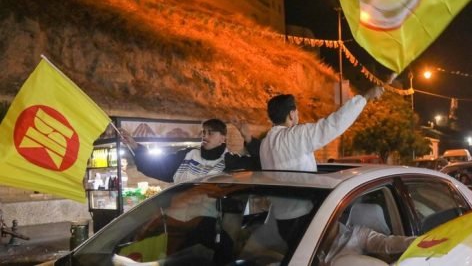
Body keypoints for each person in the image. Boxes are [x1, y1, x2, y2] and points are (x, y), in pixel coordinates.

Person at [259, 85, 386, 252]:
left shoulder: (265, 144)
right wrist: (365, 96)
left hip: (282, 221)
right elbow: (332, 125)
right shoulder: (293, 136)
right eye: (296, 112)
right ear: (291, 114)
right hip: (304, 219)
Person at [120, 118, 260, 183]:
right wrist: (136, 147)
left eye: (210, 133)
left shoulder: (230, 162)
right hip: (178, 220)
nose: (205, 136)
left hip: (207, 224)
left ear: (222, 138)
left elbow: (261, 164)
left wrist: (248, 139)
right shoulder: (187, 155)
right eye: (204, 132)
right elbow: (157, 165)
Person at [318, 222, 416, 266]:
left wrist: (422, 242)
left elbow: (387, 243)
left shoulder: (358, 234)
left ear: (338, 214)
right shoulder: (305, 236)